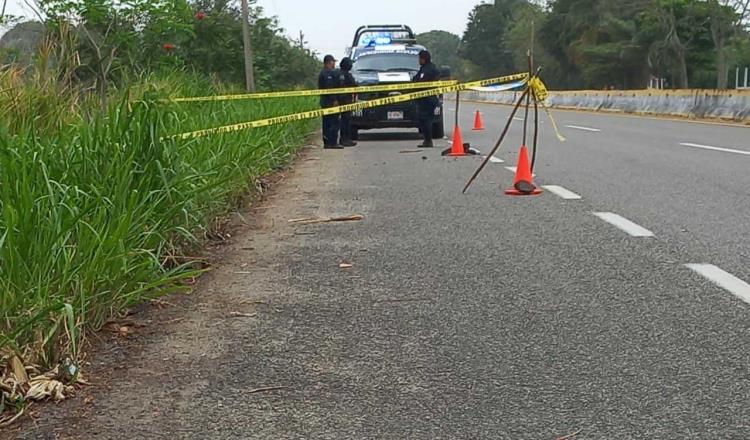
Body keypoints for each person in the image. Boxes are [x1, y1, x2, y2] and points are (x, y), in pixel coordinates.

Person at [413, 50, 440, 148]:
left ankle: (428, 141)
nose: (418, 60)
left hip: (427, 99)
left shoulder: (427, 70)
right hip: (427, 98)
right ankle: (427, 140)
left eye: (419, 58)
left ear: (423, 59)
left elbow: (420, 82)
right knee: (424, 119)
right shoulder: (427, 68)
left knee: (425, 119)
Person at [318, 54, 342, 149]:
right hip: (329, 103)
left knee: (329, 123)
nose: (334, 64)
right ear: (328, 62)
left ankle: (329, 143)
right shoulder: (326, 74)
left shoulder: (327, 73)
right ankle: (331, 143)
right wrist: (334, 100)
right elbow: (329, 89)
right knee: (332, 123)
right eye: (333, 62)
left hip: (327, 102)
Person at [337, 57, 357, 147]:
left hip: (337, 100)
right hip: (346, 101)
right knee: (346, 121)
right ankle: (345, 139)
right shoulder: (348, 75)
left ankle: (340, 139)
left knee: (339, 121)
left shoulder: (336, 74)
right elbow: (354, 86)